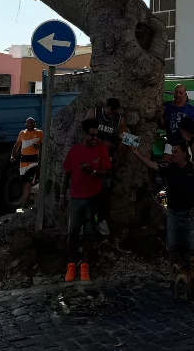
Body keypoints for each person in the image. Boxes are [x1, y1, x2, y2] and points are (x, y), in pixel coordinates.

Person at [129, 138, 194, 297]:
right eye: (172, 152)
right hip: (174, 213)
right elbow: (152, 165)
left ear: (184, 154)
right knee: (172, 247)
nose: (173, 155)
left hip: (191, 213)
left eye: (176, 152)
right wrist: (137, 153)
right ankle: (172, 275)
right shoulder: (169, 167)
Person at [59, 118, 110, 283]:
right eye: (91, 135)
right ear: (83, 134)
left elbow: (107, 172)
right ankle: (71, 265)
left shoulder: (101, 149)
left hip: (94, 200)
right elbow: (66, 176)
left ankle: (85, 266)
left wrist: (93, 172)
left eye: (97, 135)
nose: (95, 138)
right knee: (72, 233)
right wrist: (61, 197)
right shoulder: (74, 151)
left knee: (90, 233)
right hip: (75, 199)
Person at [87, 98, 127, 235]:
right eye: (109, 112)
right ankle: (87, 221)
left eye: (113, 113)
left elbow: (123, 140)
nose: (110, 115)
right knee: (88, 190)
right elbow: (85, 132)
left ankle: (102, 220)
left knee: (105, 192)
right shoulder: (94, 113)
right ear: (105, 107)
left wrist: (119, 158)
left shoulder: (119, 120)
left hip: (107, 161)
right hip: (91, 158)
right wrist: (102, 142)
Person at [9, 118, 44, 210]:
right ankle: (27, 200)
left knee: (29, 182)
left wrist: (39, 147)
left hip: (33, 161)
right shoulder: (22, 133)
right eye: (27, 123)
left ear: (34, 124)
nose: (29, 124)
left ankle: (24, 203)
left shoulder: (40, 133)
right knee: (24, 183)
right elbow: (17, 145)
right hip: (23, 161)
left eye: (31, 123)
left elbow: (45, 146)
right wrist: (13, 156)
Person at [160, 83, 194, 148]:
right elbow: (163, 126)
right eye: (176, 92)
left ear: (185, 94)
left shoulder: (191, 109)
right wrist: (160, 116)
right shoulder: (167, 106)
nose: (178, 95)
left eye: (180, 93)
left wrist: (193, 145)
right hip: (170, 144)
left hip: (185, 146)